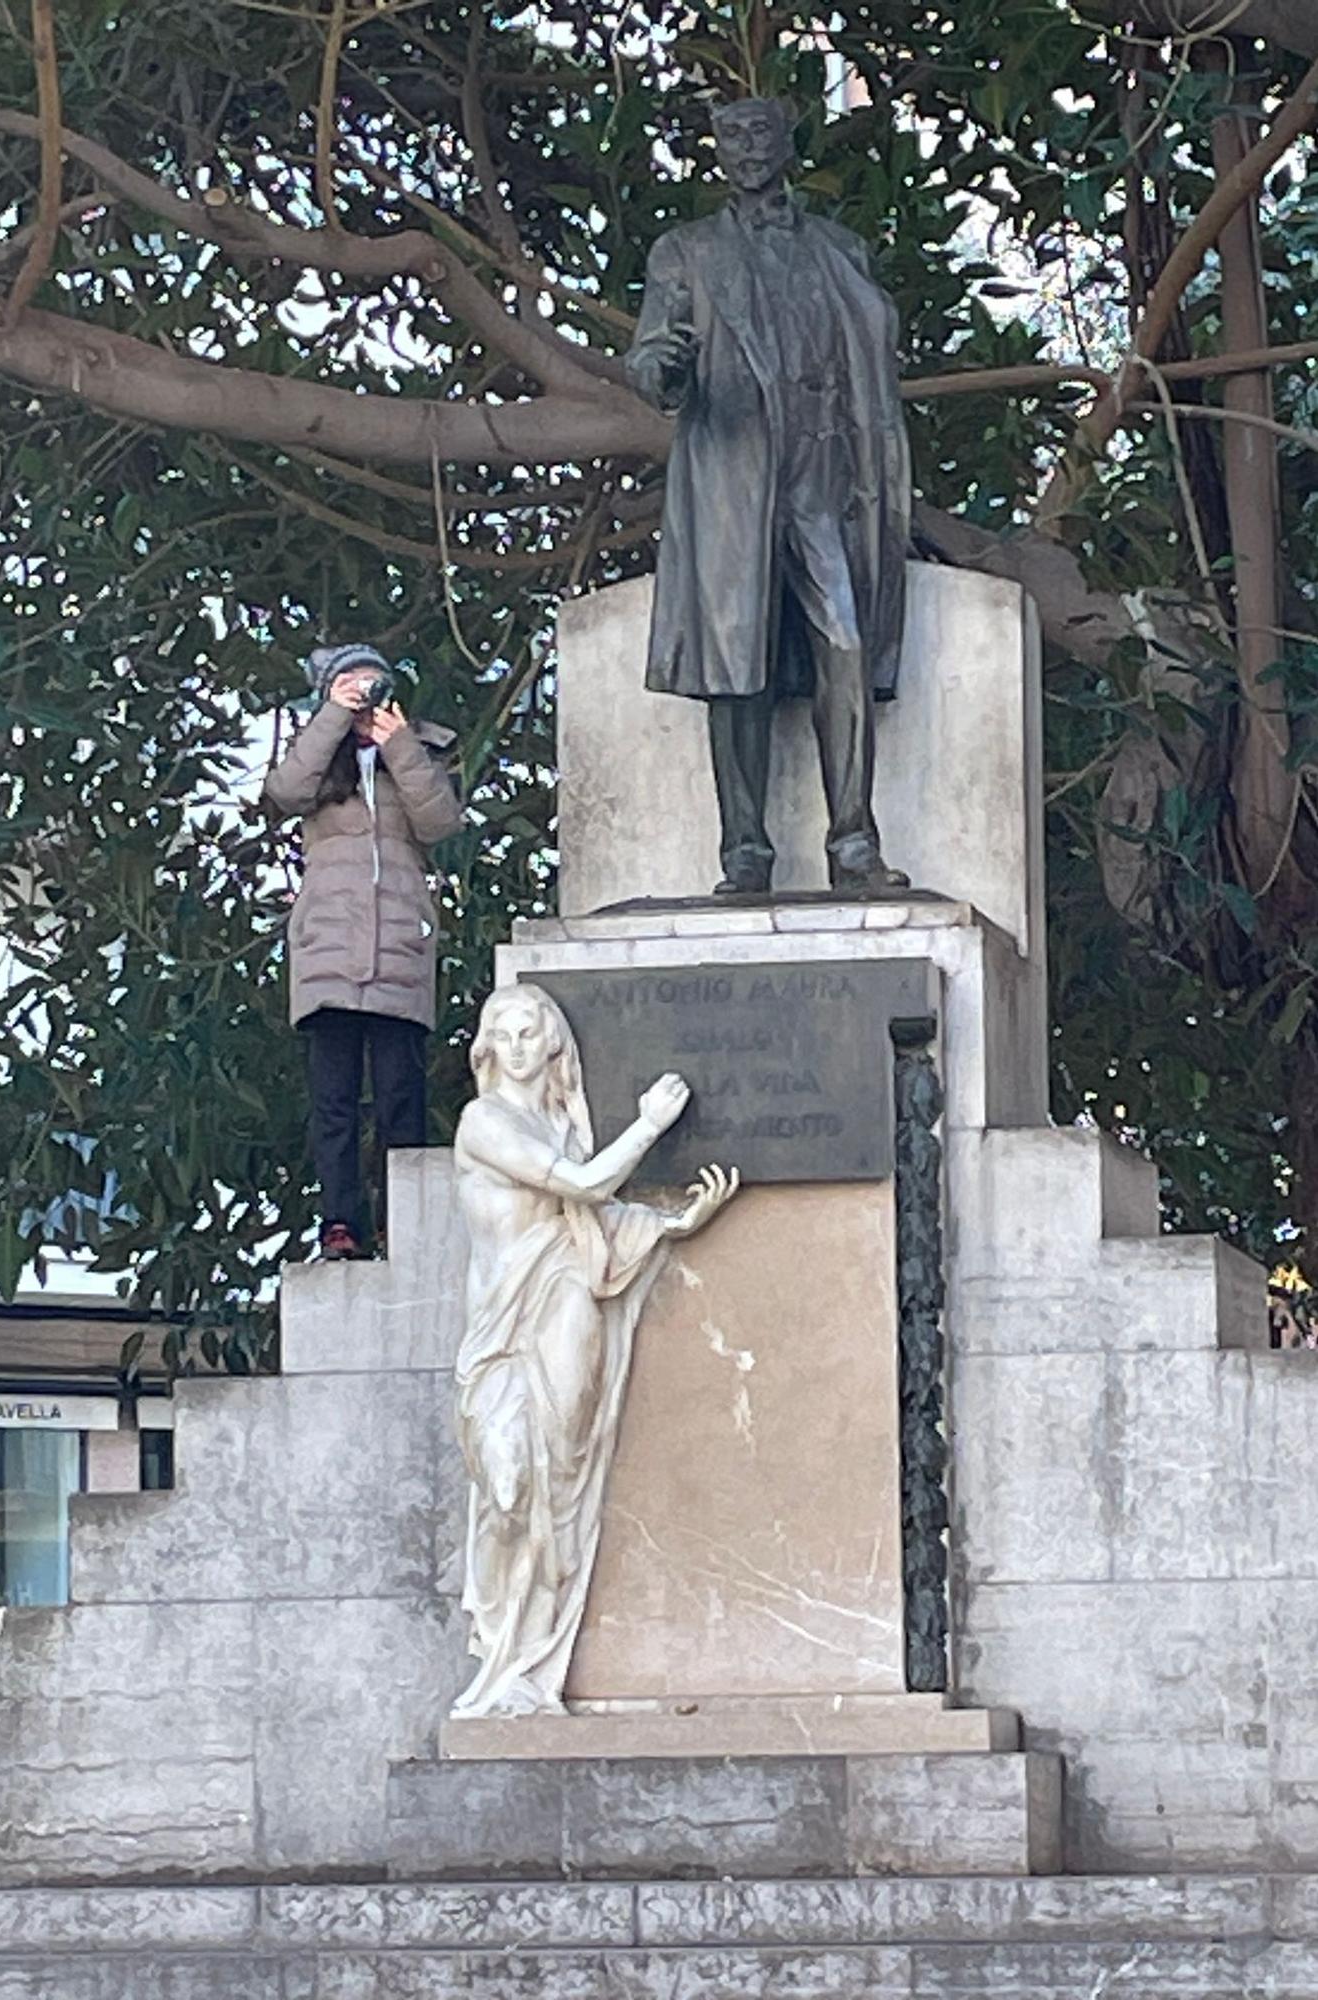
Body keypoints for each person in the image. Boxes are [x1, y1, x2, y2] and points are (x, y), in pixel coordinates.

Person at [626, 96, 912, 897]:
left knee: (846, 652)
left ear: (789, 142)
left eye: (761, 132)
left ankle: (853, 843)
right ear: (717, 150)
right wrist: (668, 367)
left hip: (828, 480)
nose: (747, 147)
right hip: (735, 478)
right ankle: (744, 850)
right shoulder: (686, 252)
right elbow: (648, 361)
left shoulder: (840, 251)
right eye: (732, 135)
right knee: (736, 662)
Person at [450, 983, 737, 1717]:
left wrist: (671, 1222)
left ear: (551, 1044)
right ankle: (501, 1651)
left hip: (569, 1305)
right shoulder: (483, 1122)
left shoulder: (562, 1124)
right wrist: (648, 1125)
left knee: (562, 1479)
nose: (516, 1048)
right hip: (502, 1332)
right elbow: (582, 1184)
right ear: (488, 1047)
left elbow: (594, 1219)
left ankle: (533, 1664)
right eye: (503, 1034)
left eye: (528, 1033)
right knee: (509, 1484)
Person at [263, 642, 463, 1258]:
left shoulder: (421, 748)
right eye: (349, 682)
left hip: (400, 948)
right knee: (335, 1102)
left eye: (371, 681)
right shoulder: (316, 754)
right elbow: (285, 792)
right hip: (328, 950)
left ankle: (403, 1226)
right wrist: (331, 717)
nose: (363, 692)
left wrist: (399, 742)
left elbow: (441, 824)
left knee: (403, 1098)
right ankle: (340, 1224)